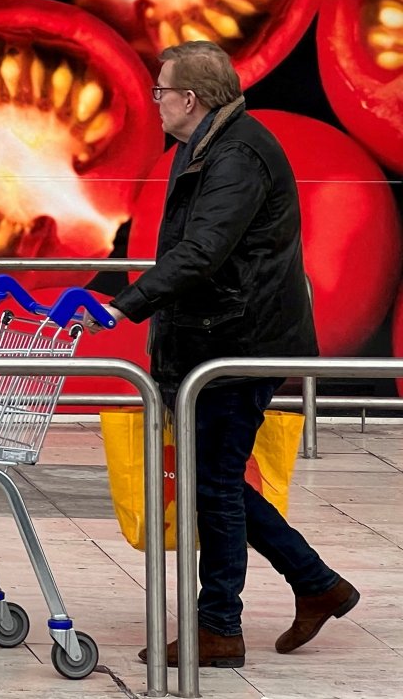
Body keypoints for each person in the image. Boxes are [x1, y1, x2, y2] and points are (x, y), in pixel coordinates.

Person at [90, 41, 358, 668]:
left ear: (191, 98)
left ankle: (220, 627)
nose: (155, 101)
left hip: (240, 342)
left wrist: (124, 304)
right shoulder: (208, 144)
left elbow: (202, 251)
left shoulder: (236, 154)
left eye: (162, 90)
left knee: (213, 482)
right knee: (215, 481)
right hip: (226, 336)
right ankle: (316, 584)